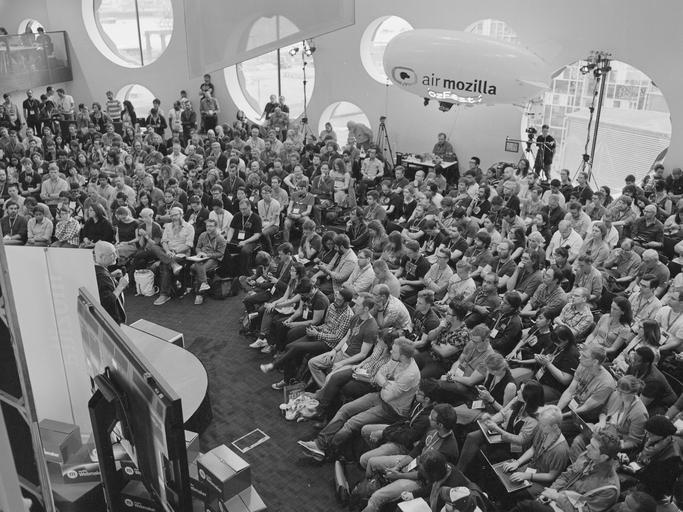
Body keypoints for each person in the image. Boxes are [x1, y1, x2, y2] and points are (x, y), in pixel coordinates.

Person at [298, 337, 420, 461]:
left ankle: (326, 450)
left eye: (394, 351)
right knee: (345, 409)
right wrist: (386, 384)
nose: (391, 351)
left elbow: (388, 396)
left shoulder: (410, 374)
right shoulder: (396, 360)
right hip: (380, 396)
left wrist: (382, 382)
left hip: (393, 410)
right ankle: (320, 444)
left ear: (403, 356)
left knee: (352, 423)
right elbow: (378, 374)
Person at [360, 404, 460, 512]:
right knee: (371, 462)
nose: (428, 417)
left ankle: (372, 499)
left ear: (440, 425)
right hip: (415, 463)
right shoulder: (433, 431)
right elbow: (417, 450)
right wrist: (398, 466)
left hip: (422, 481)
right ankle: (368, 488)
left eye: (432, 417)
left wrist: (399, 475)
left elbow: (426, 476)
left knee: (377, 497)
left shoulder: (448, 450)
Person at [510, 428, 620, 512]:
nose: (587, 447)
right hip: (557, 497)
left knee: (525, 507)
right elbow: (566, 476)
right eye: (590, 443)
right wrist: (550, 492)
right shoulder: (588, 456)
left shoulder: (609, 488)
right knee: (517, 493)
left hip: (564, 507)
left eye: (593, 447)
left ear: (604, 457)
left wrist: (557, 497)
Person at [500, 405, 570, 499]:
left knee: (516, 493)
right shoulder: (544, 430)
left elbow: (551, 476)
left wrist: (527, 476)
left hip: (543, 483)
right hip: (532, 469)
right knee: (505, 478)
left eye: (543, 425)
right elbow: (533, 448)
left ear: (554, 426)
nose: (540, 426)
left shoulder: (561, 450)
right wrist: (517, 462)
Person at [153, 207, 195, 306]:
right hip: (168, 252)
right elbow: (164, 241)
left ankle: (164, 294)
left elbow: (189, 245)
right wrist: (168, 251)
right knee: (154, 247)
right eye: (171, 215)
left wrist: (175, 251)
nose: (174, 217)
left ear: (181, 215)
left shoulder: (189, 227)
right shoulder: (168, 226)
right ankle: (173, 264)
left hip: (181, 253)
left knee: (164, 264)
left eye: (176, 215)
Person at [190, 218, 226, 305]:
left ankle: (199, 294)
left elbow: (220, 254)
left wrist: (207, 255)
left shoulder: (220, 238)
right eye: (207, 226)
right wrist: (199, 253)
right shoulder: (203, 235)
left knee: (196, 268)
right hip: (201, 257)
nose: (208, 228)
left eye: (211, 226)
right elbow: (198, 247)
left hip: (213, 259)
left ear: (216, 227)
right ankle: (204, 284)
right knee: (196, 266)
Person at [93, 241, 127, 324]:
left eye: (115, 252)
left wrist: (110, 276)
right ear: (102, 257)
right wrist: (121, 286)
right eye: (112, 254)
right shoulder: (102, 276)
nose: (116, 256)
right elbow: (107, 301)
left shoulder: (96, 270)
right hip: (112, 321)